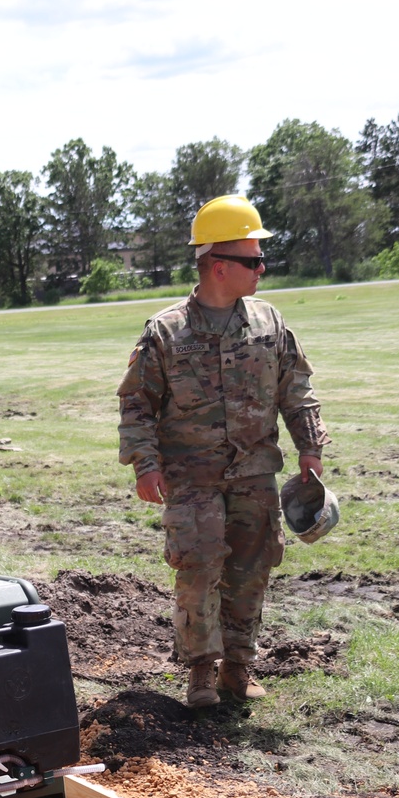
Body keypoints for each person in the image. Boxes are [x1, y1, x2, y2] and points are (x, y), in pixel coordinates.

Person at [117, 194, 331, 709]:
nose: (262, 268)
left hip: (255, 474)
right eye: (253, 259)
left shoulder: (269, 322)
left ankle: (239, 667)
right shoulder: (166, 332)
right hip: (191, 479)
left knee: (251, 568)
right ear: (218, 266)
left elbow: (295, 388)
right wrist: (145, 465)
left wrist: (310, 447)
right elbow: (137, 405)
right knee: (198, 569)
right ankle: (200, 675)